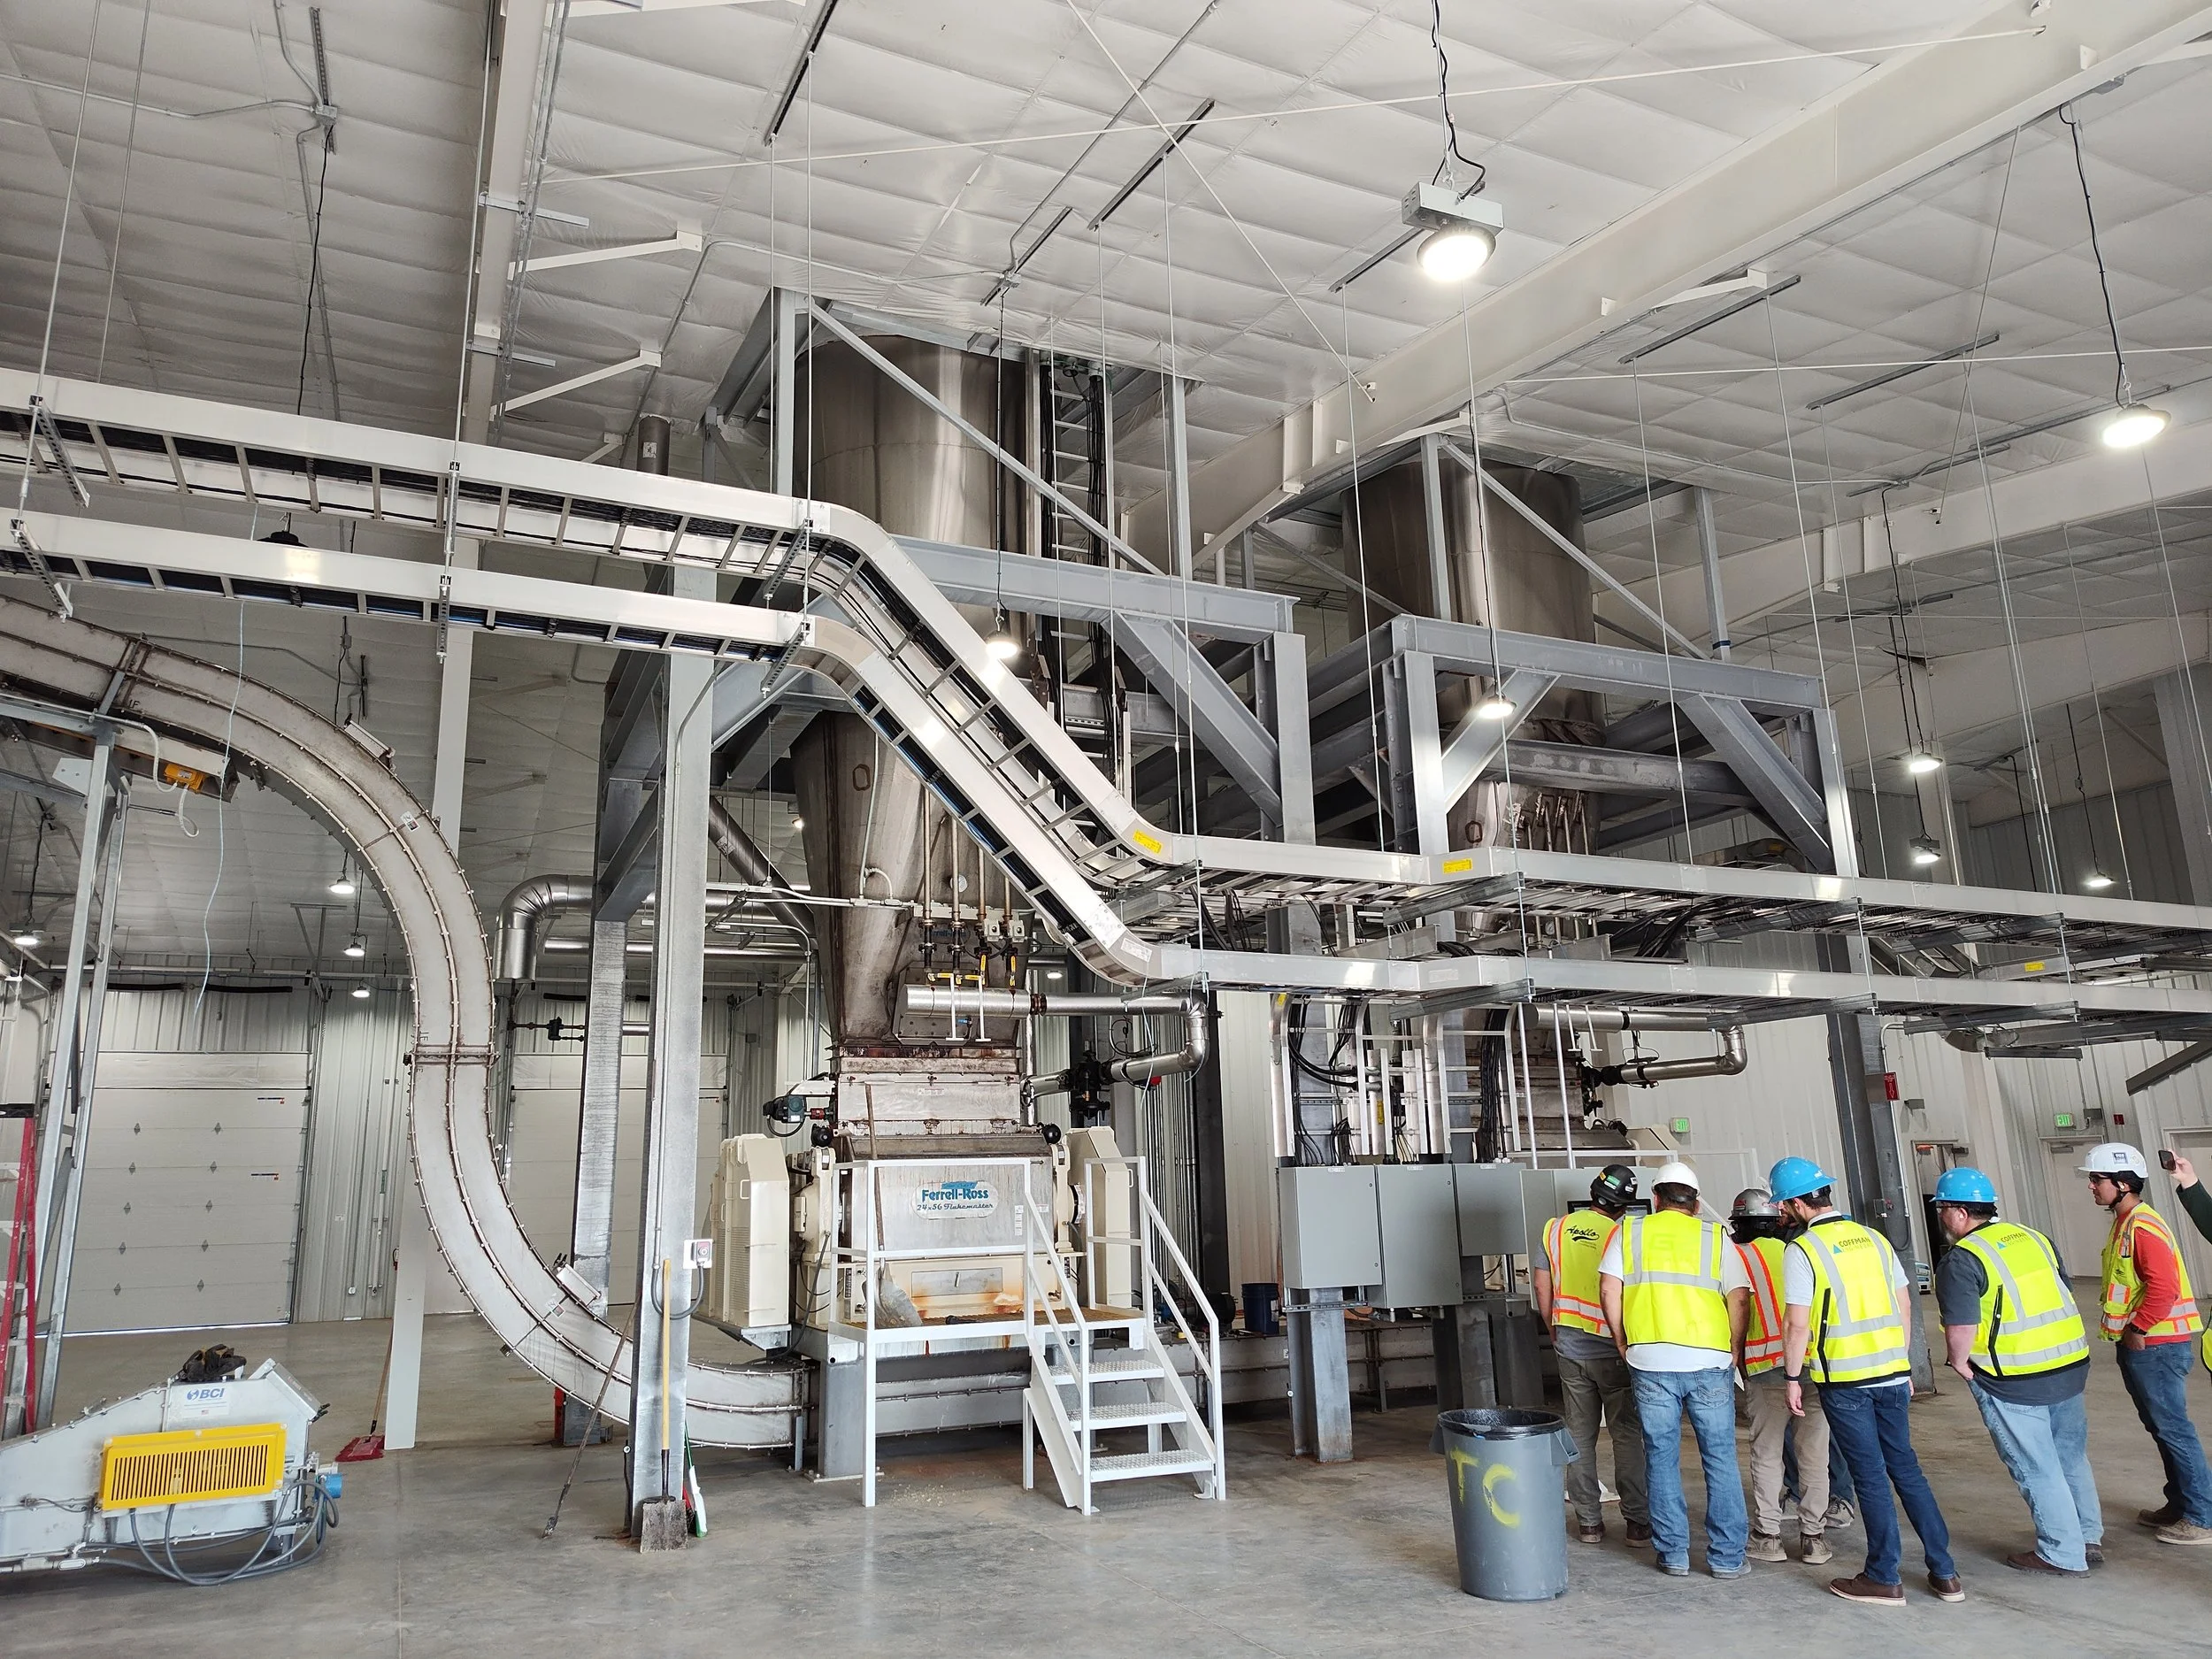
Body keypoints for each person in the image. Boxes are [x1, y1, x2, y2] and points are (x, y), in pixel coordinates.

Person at [1770, 1156, 1962, 1607]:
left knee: (1870, 1476)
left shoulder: (1803, 1251)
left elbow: (1797, 1325)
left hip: (1847, 1380)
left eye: (1783, 1205)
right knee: (1906, 1469)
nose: (1782, 1213)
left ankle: (1883, 1575)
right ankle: (1946, 1573)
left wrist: (1793, 1376)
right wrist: (1903, 1364)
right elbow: (1904, 1305)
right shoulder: (1874, 1239)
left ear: (1799, 1203)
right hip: (1891, 1374)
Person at [1932, 1166, 2102, 1575]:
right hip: (2068, 1364)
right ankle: (2087, 1535)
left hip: (2014, 1379)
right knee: (2070, 1457)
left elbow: (1962, 1327)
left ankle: (2062, 1552)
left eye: (1941, 1210)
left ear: (1957, 1213)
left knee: (2036, 1466)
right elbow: (2062, 1287)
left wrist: (1958, 1362)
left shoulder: (1963, 1260)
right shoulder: (2034, 1237)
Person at [1598, 1160, 1750, 1579]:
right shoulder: (1716, 1236)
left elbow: (1609, 1287)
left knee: (1661, 1457)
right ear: (1697, 1204)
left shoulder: (1630, 1232)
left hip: (1651, 1360)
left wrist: (1622, 1339)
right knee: (1719, 1458)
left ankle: (1674, 1555)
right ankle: (1726, 1558)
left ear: (1655, 1199)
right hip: (1709, 1360)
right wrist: (1735, 1348)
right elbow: (1738, 1297)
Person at [2078, 1142, 2212, 1543]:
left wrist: (2138, 1329)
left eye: (2095, 1179)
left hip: (2156, 1344)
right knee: (2161, 1427)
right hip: (2144, 1344)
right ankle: (2182, 1502)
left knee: (2173, 1428)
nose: (2091, 1187)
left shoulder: (2142, 1224)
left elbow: (2164, 1287)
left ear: (2121, 1183)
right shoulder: (2126, 1221)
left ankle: (2202, 1515)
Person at [1532, 1163, 1650, 1546]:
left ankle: (1588, 1524)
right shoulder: (1626, 1233)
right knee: (1626, 1433)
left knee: (1579, 1433)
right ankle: (1636, 1522)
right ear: (1626, 1204)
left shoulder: (1556, 1228)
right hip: (1613, 1348)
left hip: (1569, 1344)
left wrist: (1553, 1325)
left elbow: (1541, 1281)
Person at [1732, 1187, 1833, 1565]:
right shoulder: (1801, 1249)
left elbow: (1737, 1312)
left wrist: (1736, 1358)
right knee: (1814, 1455)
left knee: (1768, 1453)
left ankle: (1768, 1536)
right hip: (1813, 1366)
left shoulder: (1734, 1256)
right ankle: (1814, 1538)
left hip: (1765, 1369)